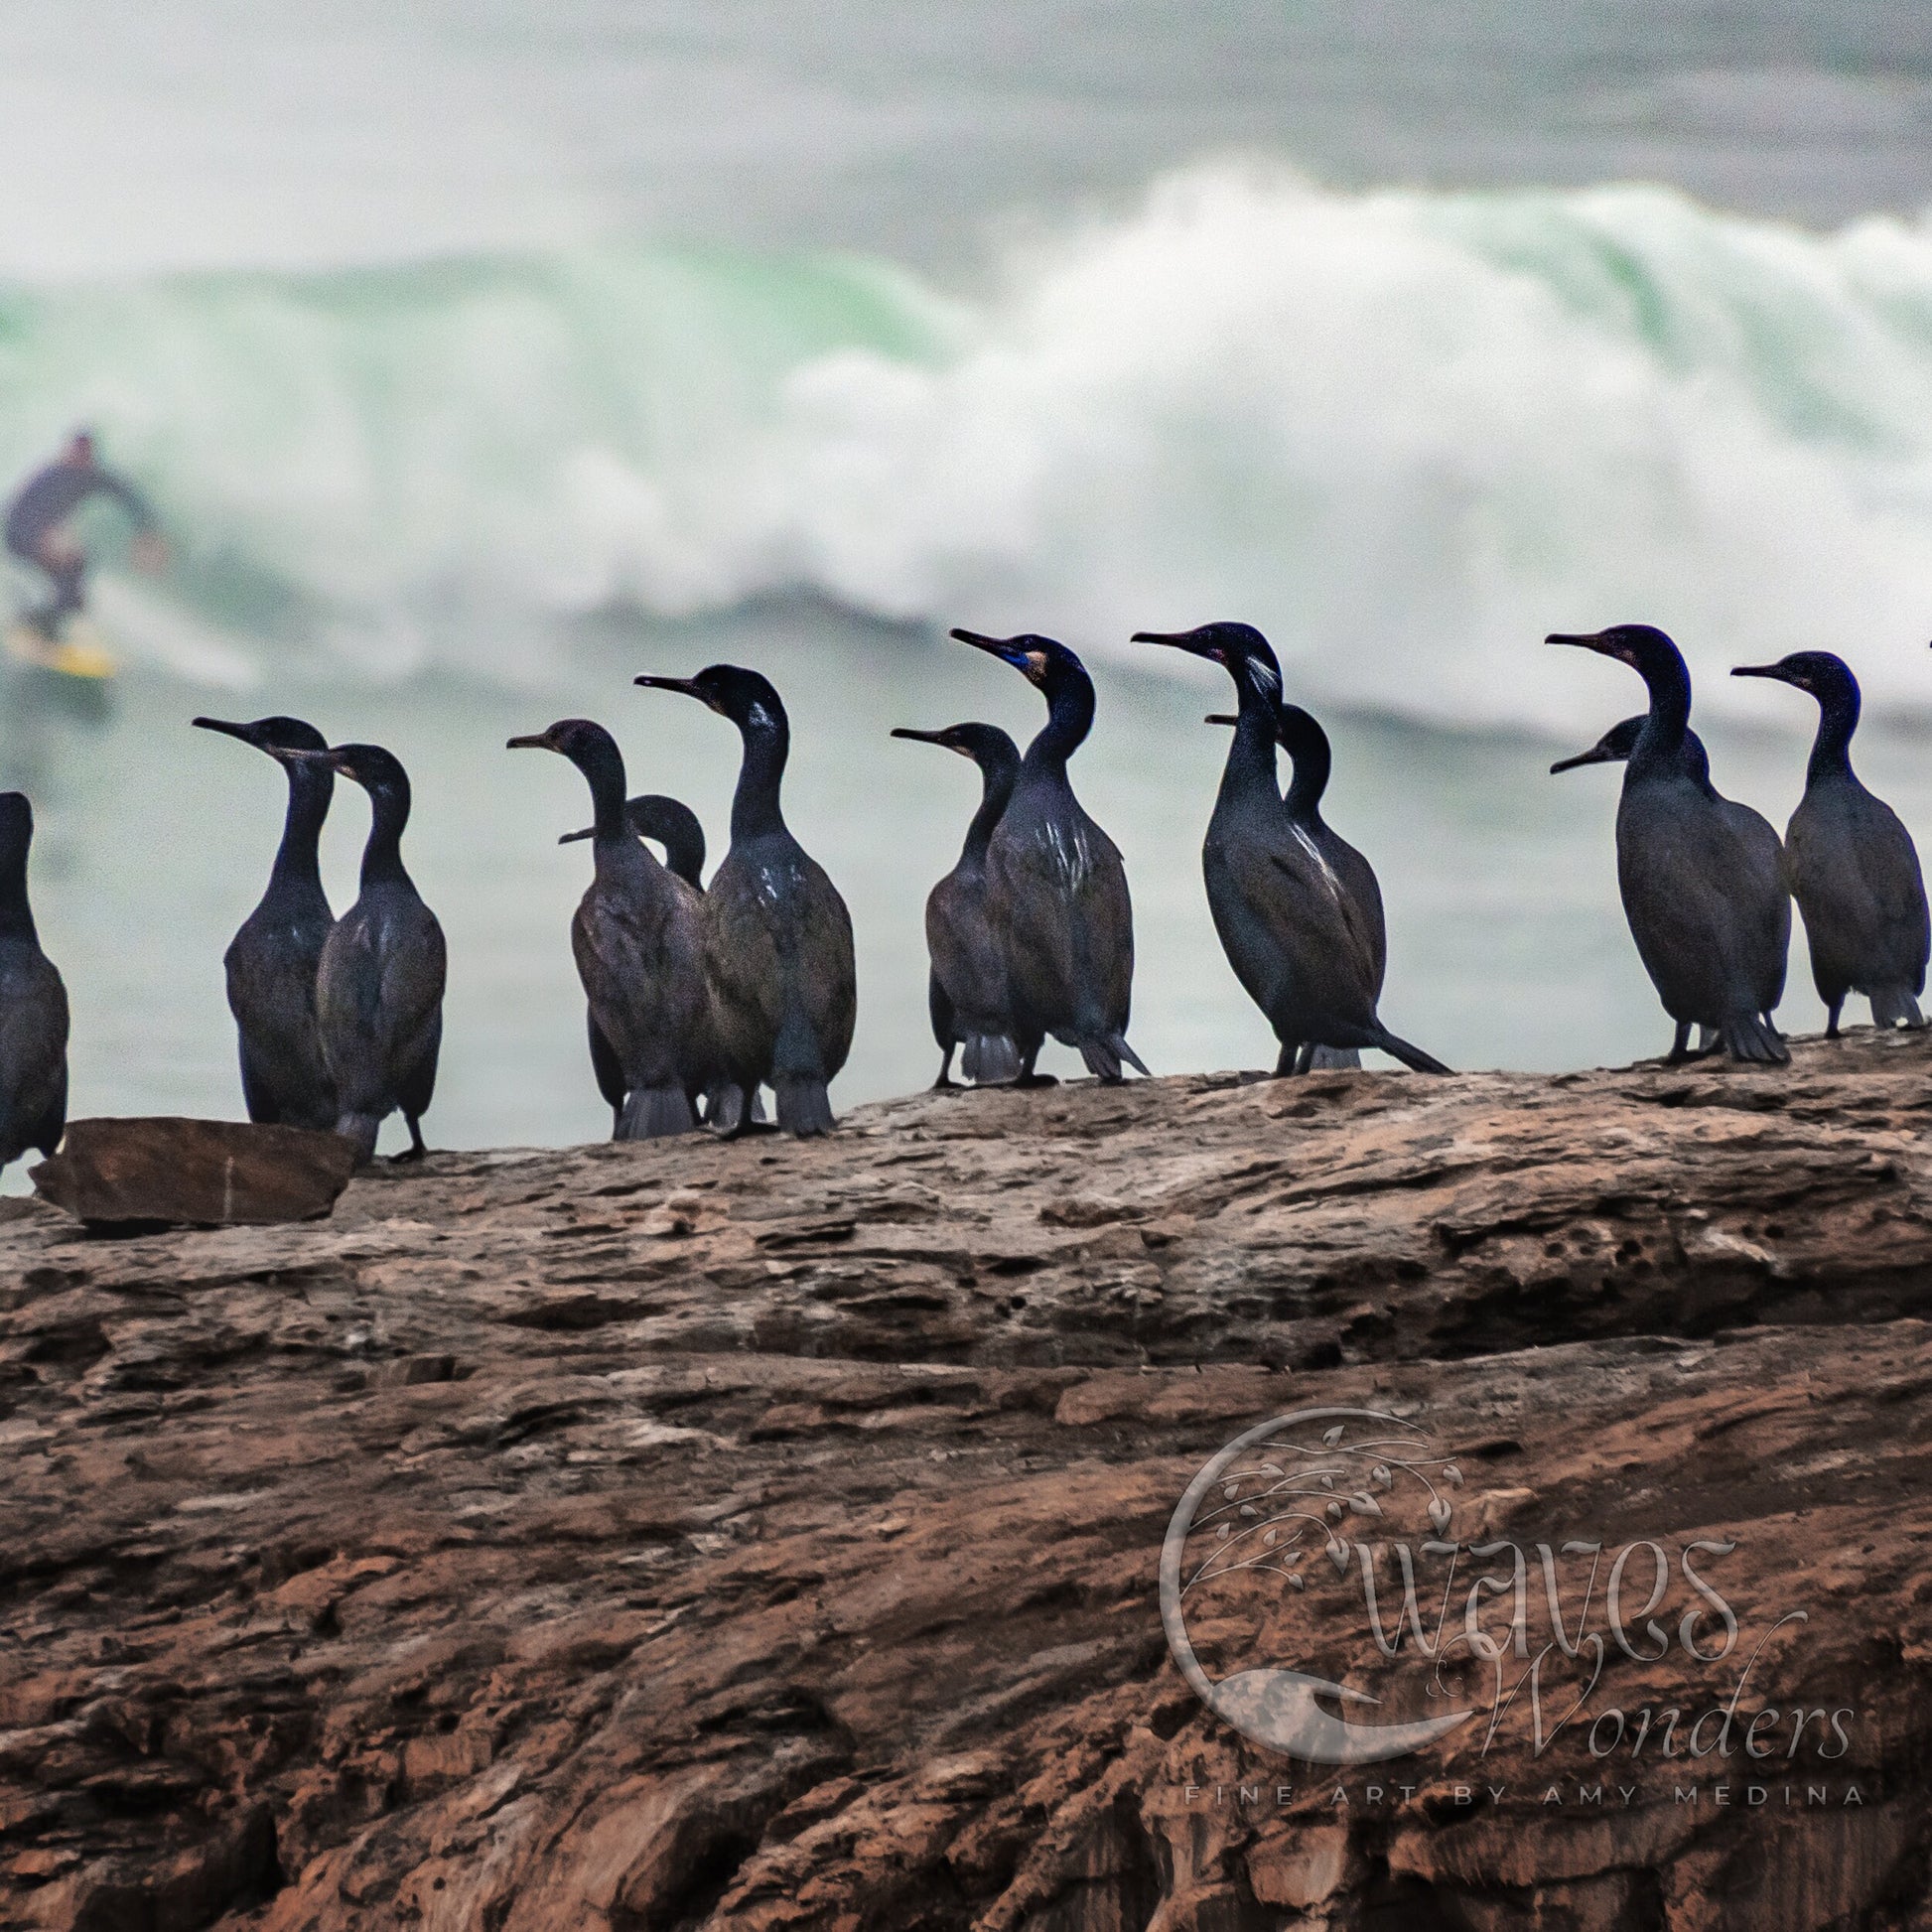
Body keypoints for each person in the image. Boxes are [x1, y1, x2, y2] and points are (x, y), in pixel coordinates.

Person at [5, 431, 164, 639]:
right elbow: (19, 512)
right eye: (74, 452)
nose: (76, 458)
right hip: (21, 536)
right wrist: (44, 538)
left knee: (76, 580)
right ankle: (36, 621)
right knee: (70, 567)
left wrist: (147, 529)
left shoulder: (91, 475)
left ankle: (45, 621)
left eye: (83, 455)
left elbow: (127, 495)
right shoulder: (51, 476)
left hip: (49, 539)